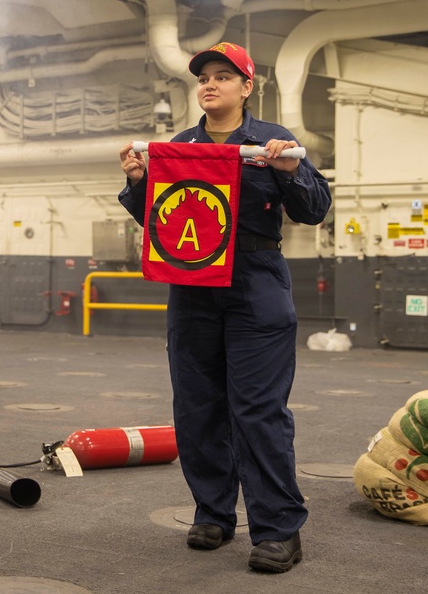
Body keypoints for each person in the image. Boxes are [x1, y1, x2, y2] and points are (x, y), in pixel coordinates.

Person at [117, 42, 331, 573]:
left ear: (246, 86)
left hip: (255, 284)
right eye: (204, 77)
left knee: (257, 410)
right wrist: (138, 183)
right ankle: (213, 513)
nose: (210, 84)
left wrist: (287, 169)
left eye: (223, 76)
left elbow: (315, 209)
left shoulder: (273, 141)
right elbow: (165, 221)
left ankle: (279, 529)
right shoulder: (178, 147)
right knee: (197, 408)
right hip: (192, 289)